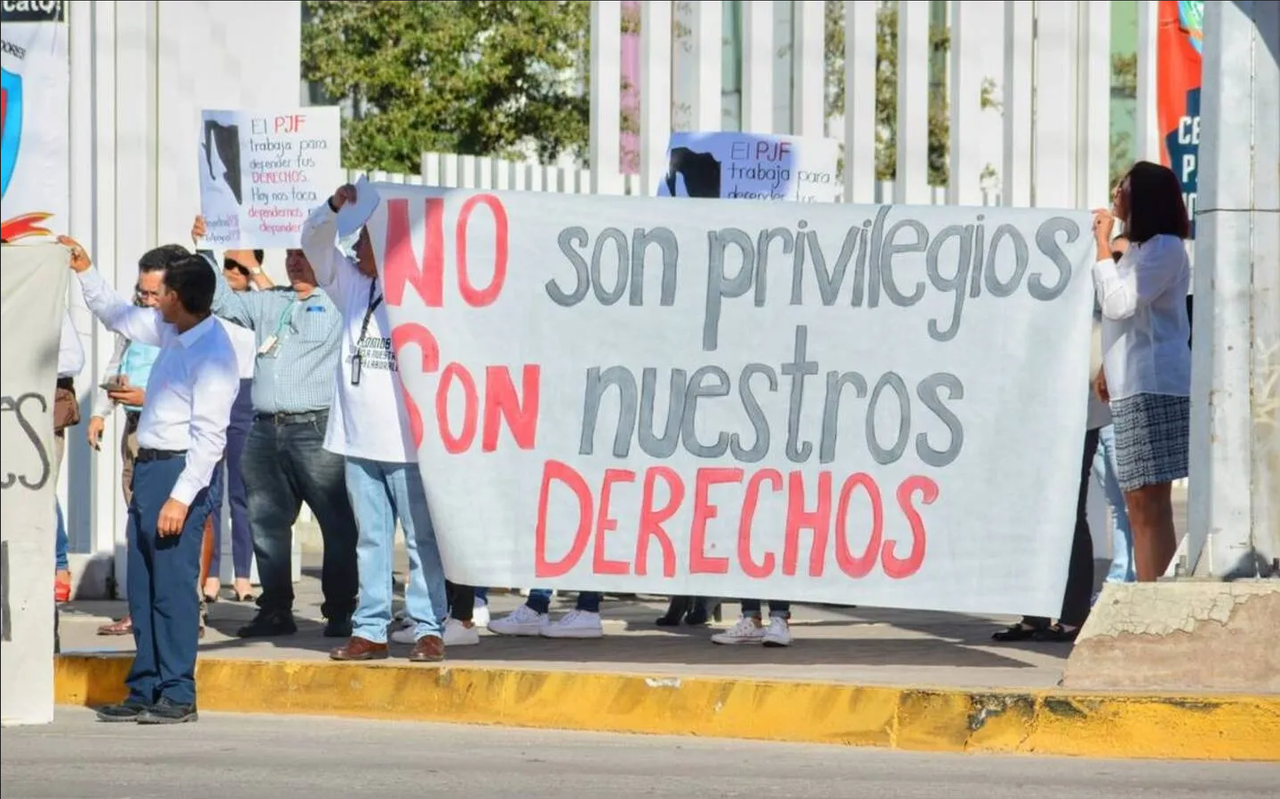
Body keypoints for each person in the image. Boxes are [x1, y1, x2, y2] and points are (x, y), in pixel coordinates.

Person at [59, 235, 239, 725]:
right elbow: (117, 315)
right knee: (142, 585)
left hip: (179, 473)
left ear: (177, 297)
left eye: (159, 294)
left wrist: (180, 499)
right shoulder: (173, 331)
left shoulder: (213, 353)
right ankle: (146, 687)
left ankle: (178, 694)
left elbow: (210, 440)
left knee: (172, 589)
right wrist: (85, 270)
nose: (151, 302)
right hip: (150, 467)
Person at [301, 184, 453, 662]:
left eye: (364, 239)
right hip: (359, 440)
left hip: (411, 444)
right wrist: (332, 207)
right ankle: (370, 629)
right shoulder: (351, 284)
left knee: (422, 540)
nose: (354, 249)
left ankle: (429, 627)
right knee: (370, 540)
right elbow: (313, 242)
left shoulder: (423, 290)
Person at [192, 215, 359, 639]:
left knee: (336, 524)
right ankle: (276, 610)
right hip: (265, 430)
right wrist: (208, 249)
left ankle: (341, 610)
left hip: (315, 429)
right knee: (266, 525)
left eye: (304, 254)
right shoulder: (271, 301)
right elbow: (220, 301)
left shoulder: (339, 301)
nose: (295, 262)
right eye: (290, 255)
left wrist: (334, 217)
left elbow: (351, 262)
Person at [1092, 161, 1192, 582]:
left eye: (1125, 186)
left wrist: (1102, 244)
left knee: (1148, 504)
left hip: (1154, 386)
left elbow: (1118, 304)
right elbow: (1125, 320)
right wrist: (1106, 366)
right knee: (1137, 504)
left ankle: (1156, 594)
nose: (1116, 192)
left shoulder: (1165, 247)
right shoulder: (1139, 247)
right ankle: (1151, 589)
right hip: (1133, 383)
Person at [53, 310, 85, 601]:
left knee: (40, 491)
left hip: (39, 415)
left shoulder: (50, 307)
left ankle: (58, 565)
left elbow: (74, 359)